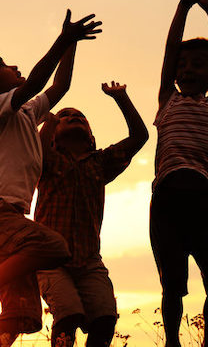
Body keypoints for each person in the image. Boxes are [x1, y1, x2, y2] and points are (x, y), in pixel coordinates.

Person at [0, 10, 102, 347]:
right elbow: (36, 82)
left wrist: (72, 45)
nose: (15, 68)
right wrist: (62, 38)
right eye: (6, 66)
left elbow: (58, 86)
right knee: (53, 246)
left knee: (17, 318)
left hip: (4, 222)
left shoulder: (23, 113)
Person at [150, 0, 208, 347]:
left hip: (201, 200)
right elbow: (169, 51)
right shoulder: (168, 100)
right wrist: (183, 5)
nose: (187, 69)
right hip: (167, 199)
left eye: (198, 64)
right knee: (173, 285)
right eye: (184, 66)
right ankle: (171, 342)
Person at [35, 81, 149, 347]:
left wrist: (121, 98)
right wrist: (48, 121)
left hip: (89, 262)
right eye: (64, 117)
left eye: (81, 118)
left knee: (105, 317)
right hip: (51, 260)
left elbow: (139, 137)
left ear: (91, 136)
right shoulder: (48, 161)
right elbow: (37, 150)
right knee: (68, 314)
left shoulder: (100, 163)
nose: (73, 117)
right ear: (52, 135)